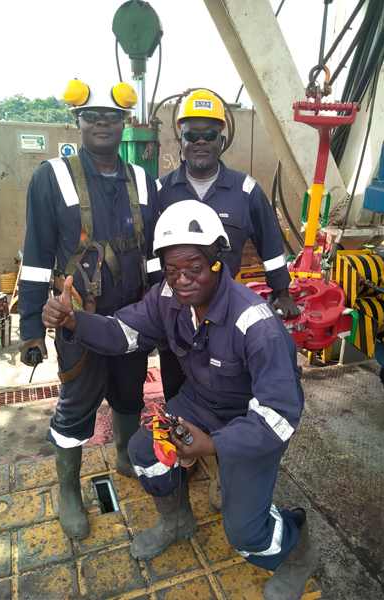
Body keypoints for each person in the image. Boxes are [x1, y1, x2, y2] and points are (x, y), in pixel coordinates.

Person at [42, 200, 318, 600]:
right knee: (145, 452)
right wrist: (74, 321)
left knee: (246, 535)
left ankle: (297, 551)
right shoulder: (166, 298)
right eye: (172, 271)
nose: (182, 280)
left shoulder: (258, 327)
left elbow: (279, 417)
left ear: (217, 262)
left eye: (194, 268)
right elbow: (124, 334)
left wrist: (213, 445)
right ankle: (177, 522)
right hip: (200, 403)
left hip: (252, 423)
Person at [18, 79, 159, 540]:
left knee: (130, 393)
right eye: (92, 115)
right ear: (77, 121)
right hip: (77, 318)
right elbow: (36, 257)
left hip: (133, 317)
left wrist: (163, 309)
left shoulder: (143, 181)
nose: (102, 123)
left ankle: (125, 456)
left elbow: (153, 254)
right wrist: (31, 328)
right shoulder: (52, 177)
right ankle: (69, 492)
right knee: (77, 403)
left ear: (124, 123)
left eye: (112, 117)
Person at [157, 89, 300, 509]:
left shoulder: (246, 190)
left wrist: (282, 290)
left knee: (230, 393)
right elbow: (152, 257)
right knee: (178, 387)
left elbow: (270, 242)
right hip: (177, 315)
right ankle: (186, 456)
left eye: (210, 134)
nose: (200, 141)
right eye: (192, 134)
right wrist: (156, 307)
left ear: (223, 139)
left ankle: (222, 460)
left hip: (225, 318)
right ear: (180, 139)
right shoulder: (161, 190)